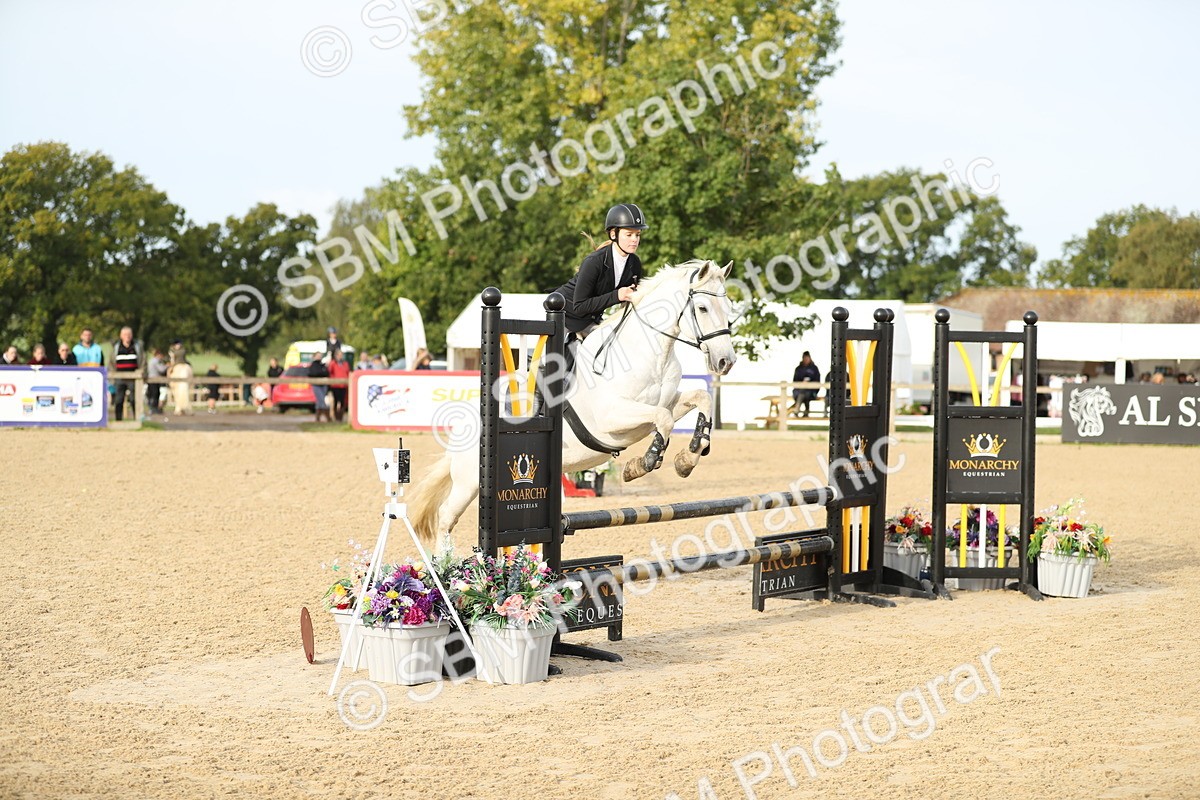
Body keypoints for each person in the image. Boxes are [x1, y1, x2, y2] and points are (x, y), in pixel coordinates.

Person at [553, 203, 646, 341]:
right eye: (629, 234)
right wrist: (617, 295)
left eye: (637, 235)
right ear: (614, 234)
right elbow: (579, 306)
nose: (635, 240)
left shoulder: (634, 263)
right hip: (566, 317)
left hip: (592, 321)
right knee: (556, 362)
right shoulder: (594, 262)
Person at [111, 326, 142, 421]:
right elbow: (111, 362)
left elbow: (143, 361)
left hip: (133, 378)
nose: (127, 336)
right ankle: (118, 420)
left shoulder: (137, 346)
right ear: (121, 336)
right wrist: (113, 374)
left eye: (129, 334)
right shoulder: (116, 347)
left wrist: (140, 372)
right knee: (118, 400)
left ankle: (137, 420)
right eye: (125, 334)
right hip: (119, 377)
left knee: (134, 400)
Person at [790, 352, 822, 417]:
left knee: (803, 394)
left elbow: (817, 382)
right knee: (802, 393)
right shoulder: (798, 369)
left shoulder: (814, 369)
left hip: (811, 391)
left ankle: (797, 409)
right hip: (798, 391)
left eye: (807, 358)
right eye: (805, 358)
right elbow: (795, 381)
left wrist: (810, 384)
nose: (806, 360)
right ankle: (806, 411)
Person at [327, 348, 351, 421]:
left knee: (343, 402)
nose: (340, 356)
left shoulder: (345, 363)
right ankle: (335, 416)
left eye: (341, 355)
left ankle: (340, 417)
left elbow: (348, 372)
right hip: (335, 385)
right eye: (339, 355)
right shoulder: (333, 363)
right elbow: (329, 371)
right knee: (336, 401)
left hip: (344, 385)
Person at [308, 355, 331, 423]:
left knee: (319, 402)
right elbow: (314, 373)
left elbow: (327, 373)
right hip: (316, 385)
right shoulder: (313, 365)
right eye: (317, 356)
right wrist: (322, 373)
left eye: (320, 355)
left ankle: (317, 418)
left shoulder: (322, 365)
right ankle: (328, 418)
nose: (319, 357)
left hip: (323, 385)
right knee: (322, 401)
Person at [146, 349, 168, 415]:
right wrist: (166, 366)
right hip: (155, 380)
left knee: (152, 394)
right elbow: (161, 369)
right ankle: (154, 408)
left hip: (150, 379)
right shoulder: (156, 361)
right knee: (155, 394)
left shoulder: (150, 360)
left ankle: (152, 408)